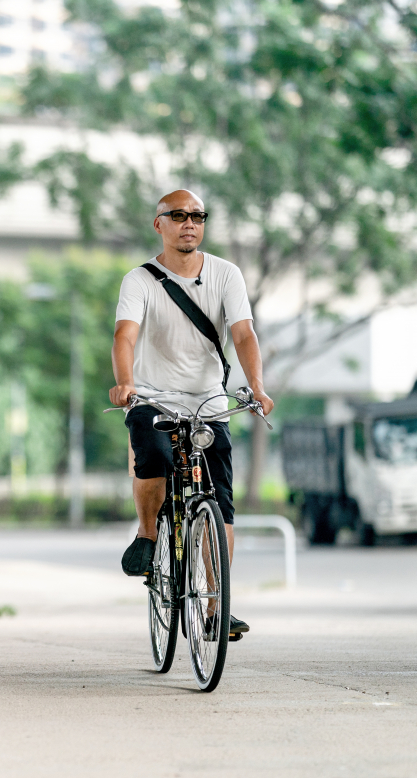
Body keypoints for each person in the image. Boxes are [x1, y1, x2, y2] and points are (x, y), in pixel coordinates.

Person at [108, 189, 275, 639]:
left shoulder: (226, 274)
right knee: (155, 455)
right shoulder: (139, 280)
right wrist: (126, 382)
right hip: (153, 398)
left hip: (207, 401)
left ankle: (218, 607)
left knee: (219, 501)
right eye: (178, 215)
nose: (189, 223)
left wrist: (256, 386)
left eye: (198, 216)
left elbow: (243, 334)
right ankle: (147, 534)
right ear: (159, 224)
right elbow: (125, 336)